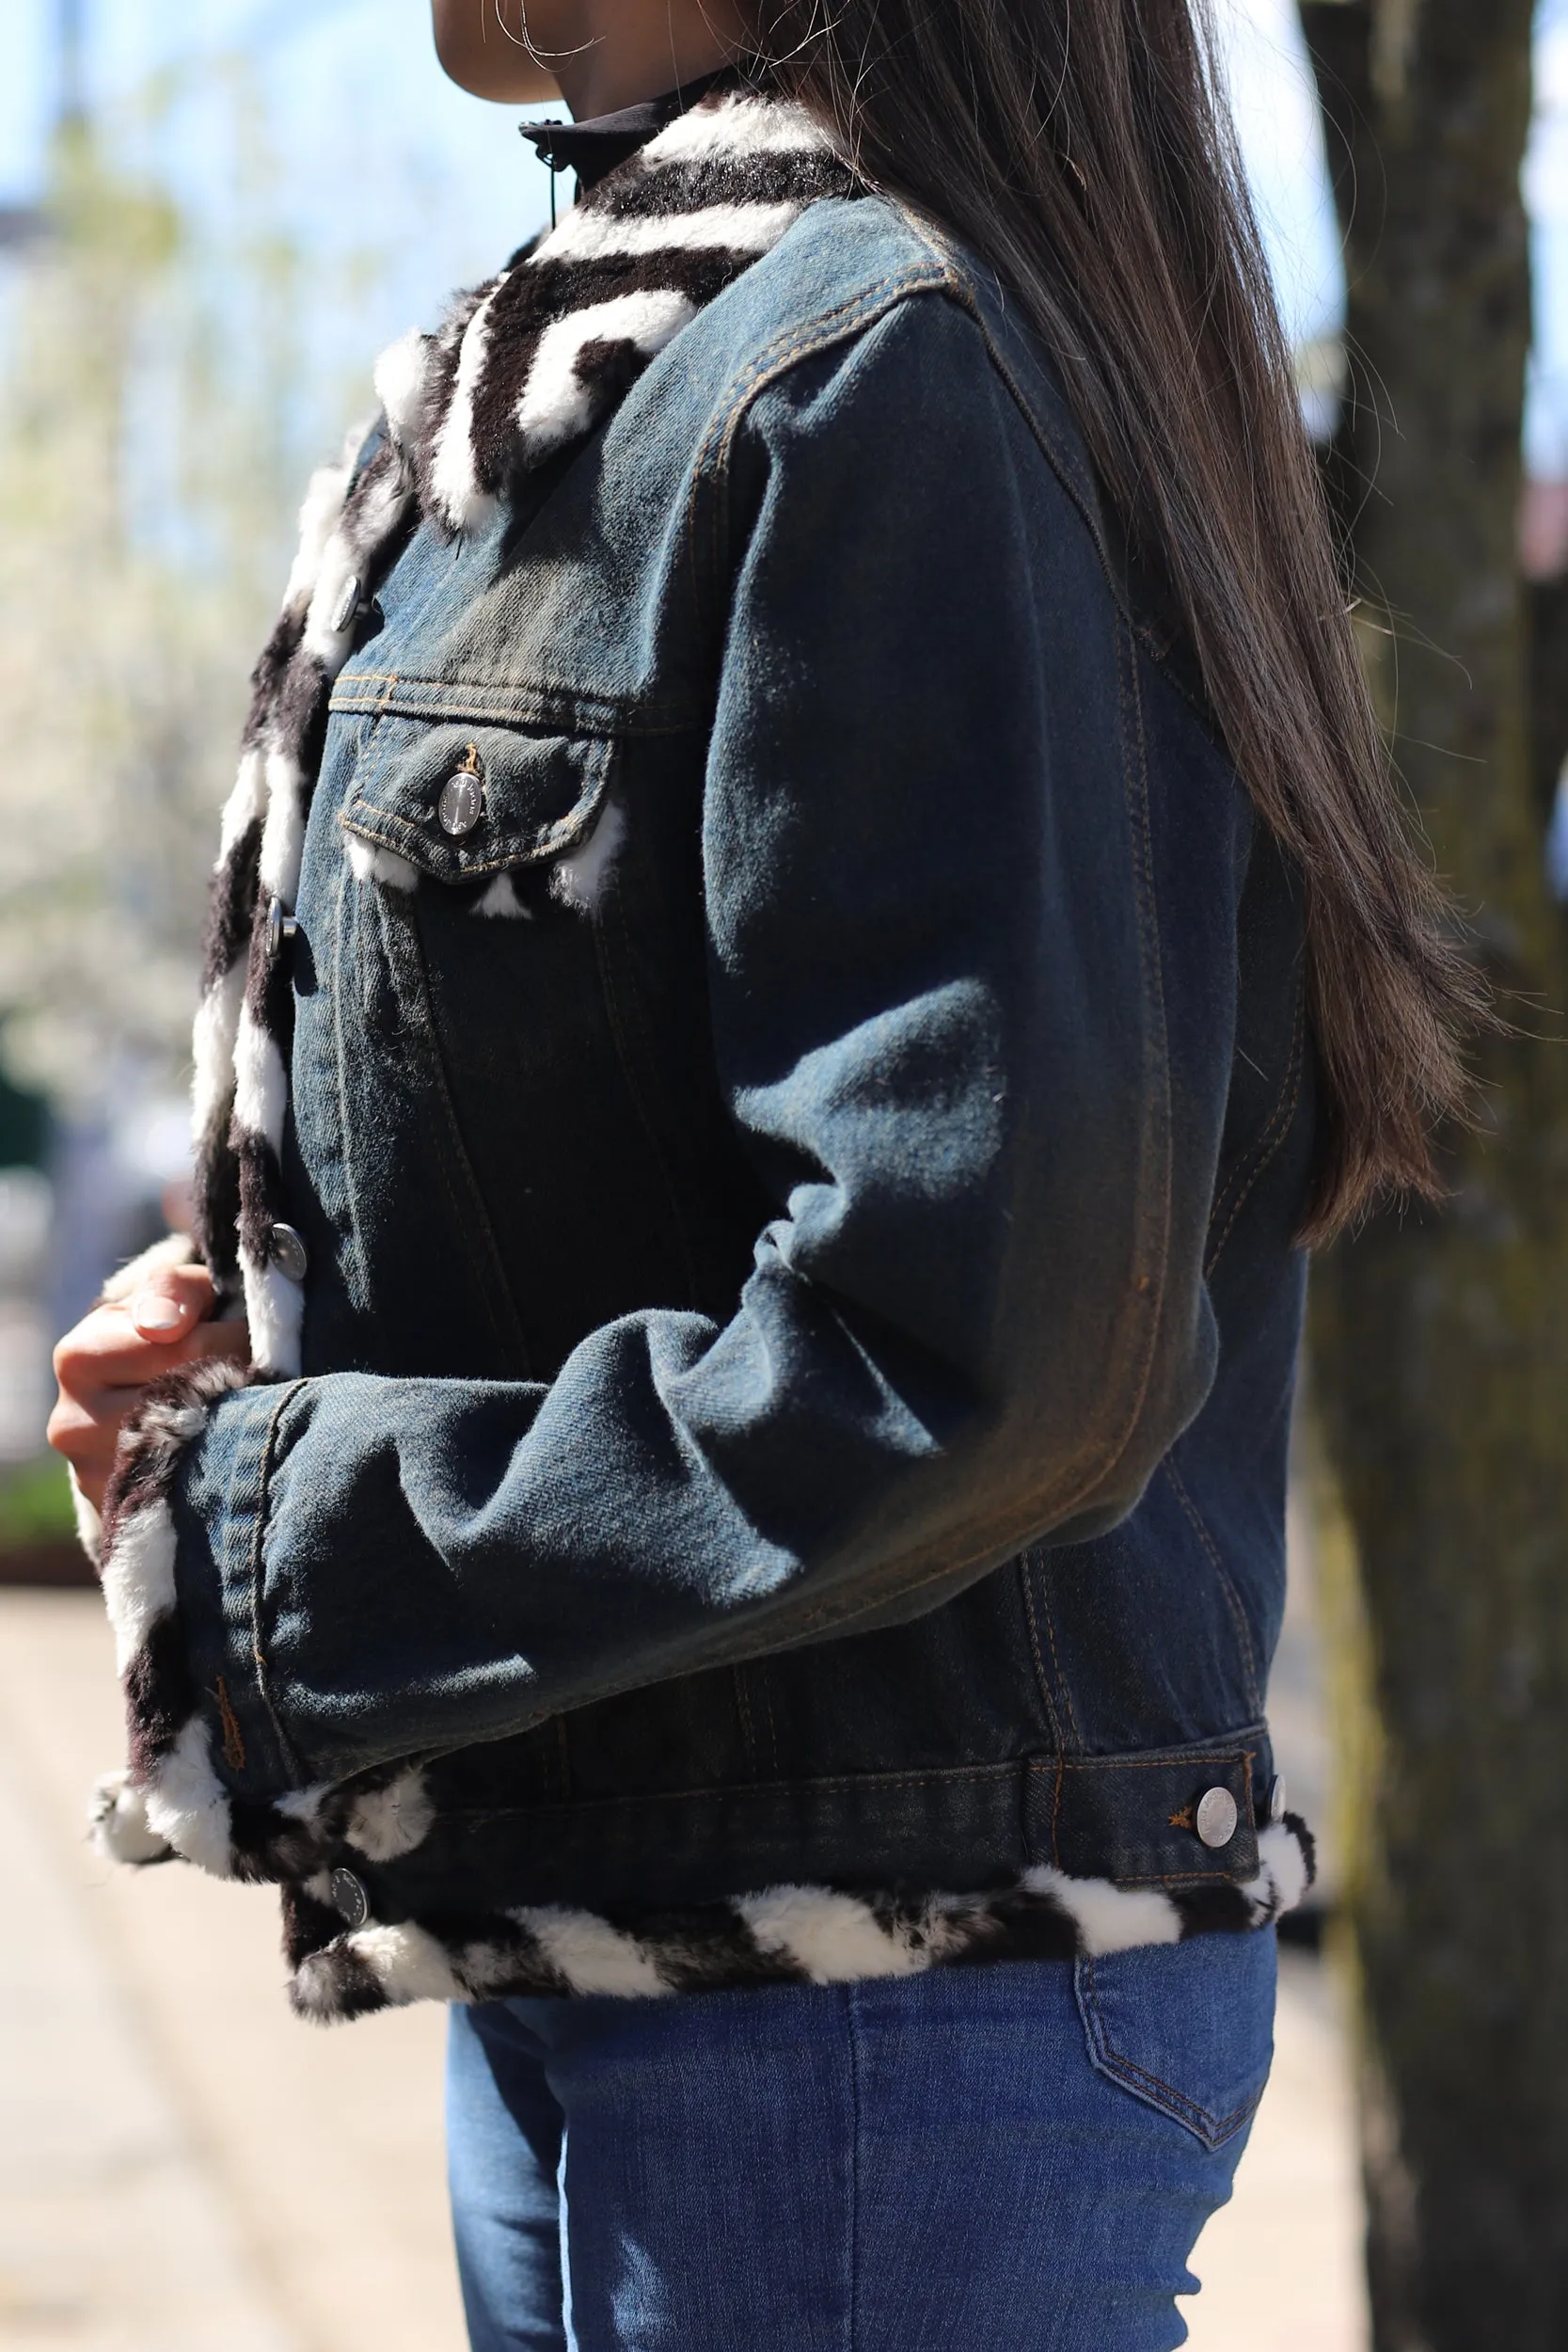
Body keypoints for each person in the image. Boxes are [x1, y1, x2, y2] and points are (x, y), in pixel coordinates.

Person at [49, 0, 1478, 2344]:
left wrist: (290, 1527)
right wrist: (272, 1328)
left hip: (865, 2025)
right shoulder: (687, 342)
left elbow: (978, 1347)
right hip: (689, 1947)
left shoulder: (870, 367)